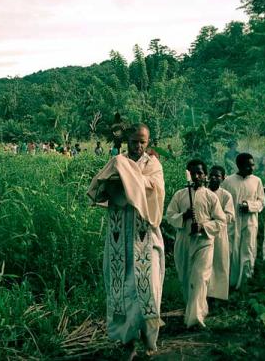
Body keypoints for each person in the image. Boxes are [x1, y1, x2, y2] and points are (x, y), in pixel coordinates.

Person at [87, 124, 165, 359]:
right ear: (128, 141)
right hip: (119, 238)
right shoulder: (116, 162)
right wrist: (117, 181)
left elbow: (157, 190)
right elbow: (99, 188)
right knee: (122, 289)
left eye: (143, 142)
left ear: (148, 142)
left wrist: (132, 181)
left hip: (145, 237)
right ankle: (127, 341)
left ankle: (149, 338)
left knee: (148, 286)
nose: (138, 146)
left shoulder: (153, 165)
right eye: (134, 141)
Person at [166, 160, 226, 328]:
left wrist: (203, 226)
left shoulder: (211, 196)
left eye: (200, 173)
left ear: (205, 175)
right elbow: (170, 215)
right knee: (186, 278)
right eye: (194, 173)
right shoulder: (180, 195)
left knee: (200, 278)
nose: (197, 176)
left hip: (204, 242)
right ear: (190, 175)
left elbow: (221, 221)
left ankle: (195, 319)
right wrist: (183, 216)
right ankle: (195, 310)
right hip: (184, 242)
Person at [222, 153, 265, 290]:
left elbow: (262, 202)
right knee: (232, 253)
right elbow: (222, 201)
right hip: (232, 224)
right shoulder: (228, 181)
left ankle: (245, 285)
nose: (252, 168)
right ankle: (231, 284)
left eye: (252, 165)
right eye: (248, 165)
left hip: (250, 223)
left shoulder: (256, 181)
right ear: (239, 165)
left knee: (248, 251)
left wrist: (250, 206)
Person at [207, 165, 234, 302]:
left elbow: (230, 216)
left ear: (223, 178)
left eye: (217, 176)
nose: (213, 178)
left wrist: (217, 218)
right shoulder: (202, 192)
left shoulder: (226, 196)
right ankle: (204, 295)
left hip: (219, 234)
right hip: (204, 234)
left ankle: (218, 296)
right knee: (206, 264)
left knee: (219, 263)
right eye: (211, 175)